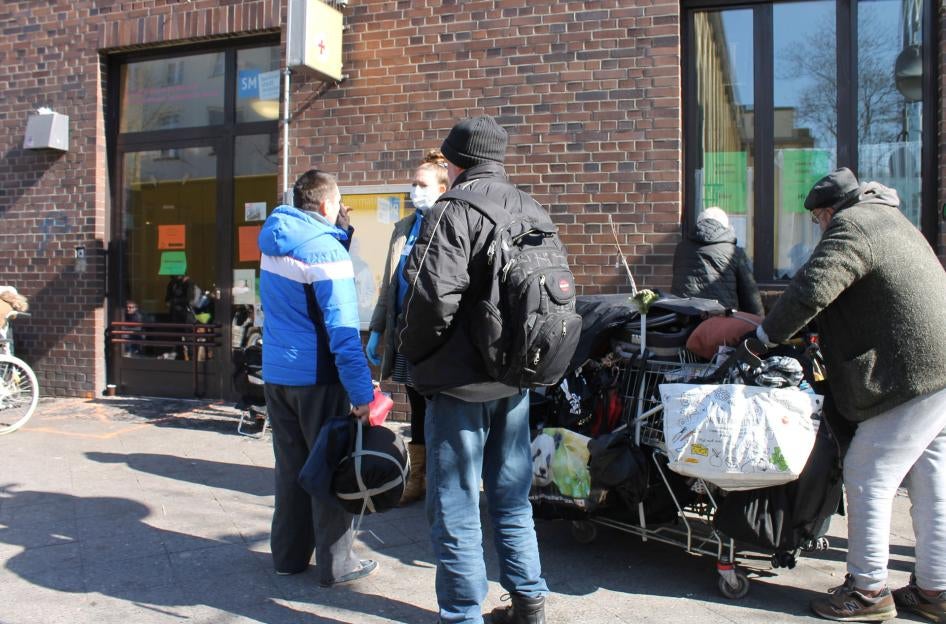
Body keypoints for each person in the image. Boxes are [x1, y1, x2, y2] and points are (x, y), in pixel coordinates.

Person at [756, 168, 946, 622]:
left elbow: (811, 290)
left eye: (817, 219)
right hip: (938, 368)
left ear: (826, 212)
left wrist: (761, 337)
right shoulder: (893, 219)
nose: (819, 226)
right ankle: (934, 590)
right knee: (930, 479)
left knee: (867, 472)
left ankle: (867, 591)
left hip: (909, 374)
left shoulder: (852, 225)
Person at [397, 116, 549, 624]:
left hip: (460, 383)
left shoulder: (453, 209)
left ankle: (462, 615)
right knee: (512, 498)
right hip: (515, 378)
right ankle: (530, 603)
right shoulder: (531, 207)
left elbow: (429, 299)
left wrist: (417, 359)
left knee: (456, 507)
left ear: (456, 162)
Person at [257, 169, 379, 587]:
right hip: (316, 378)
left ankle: (288, 557)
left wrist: (339, 236)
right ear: (328, 204)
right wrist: (362, 395)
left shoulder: (275, 237)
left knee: (290, 468)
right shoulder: (326, 252)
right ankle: (337, 563)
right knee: (329, 468)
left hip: (278, 374)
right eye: (340, 202)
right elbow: (342, 332)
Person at [366, 150, 449, 505]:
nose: (415, 190)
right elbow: (390, 283)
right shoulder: (403, 228)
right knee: (417, 405)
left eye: (422, 184)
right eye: (413, 183)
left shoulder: (449, 225)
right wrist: (376, 329)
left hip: (435, 338)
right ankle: (417, 478)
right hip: (404, 333)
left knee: (440, 408)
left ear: (443, 189)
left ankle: (443, 479)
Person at [671, 206, 764, 316]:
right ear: (725, 226)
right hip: (721, 320)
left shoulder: (681, 249)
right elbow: (749, 295)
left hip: (685, 318)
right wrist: (759, 320)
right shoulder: (734, 252)